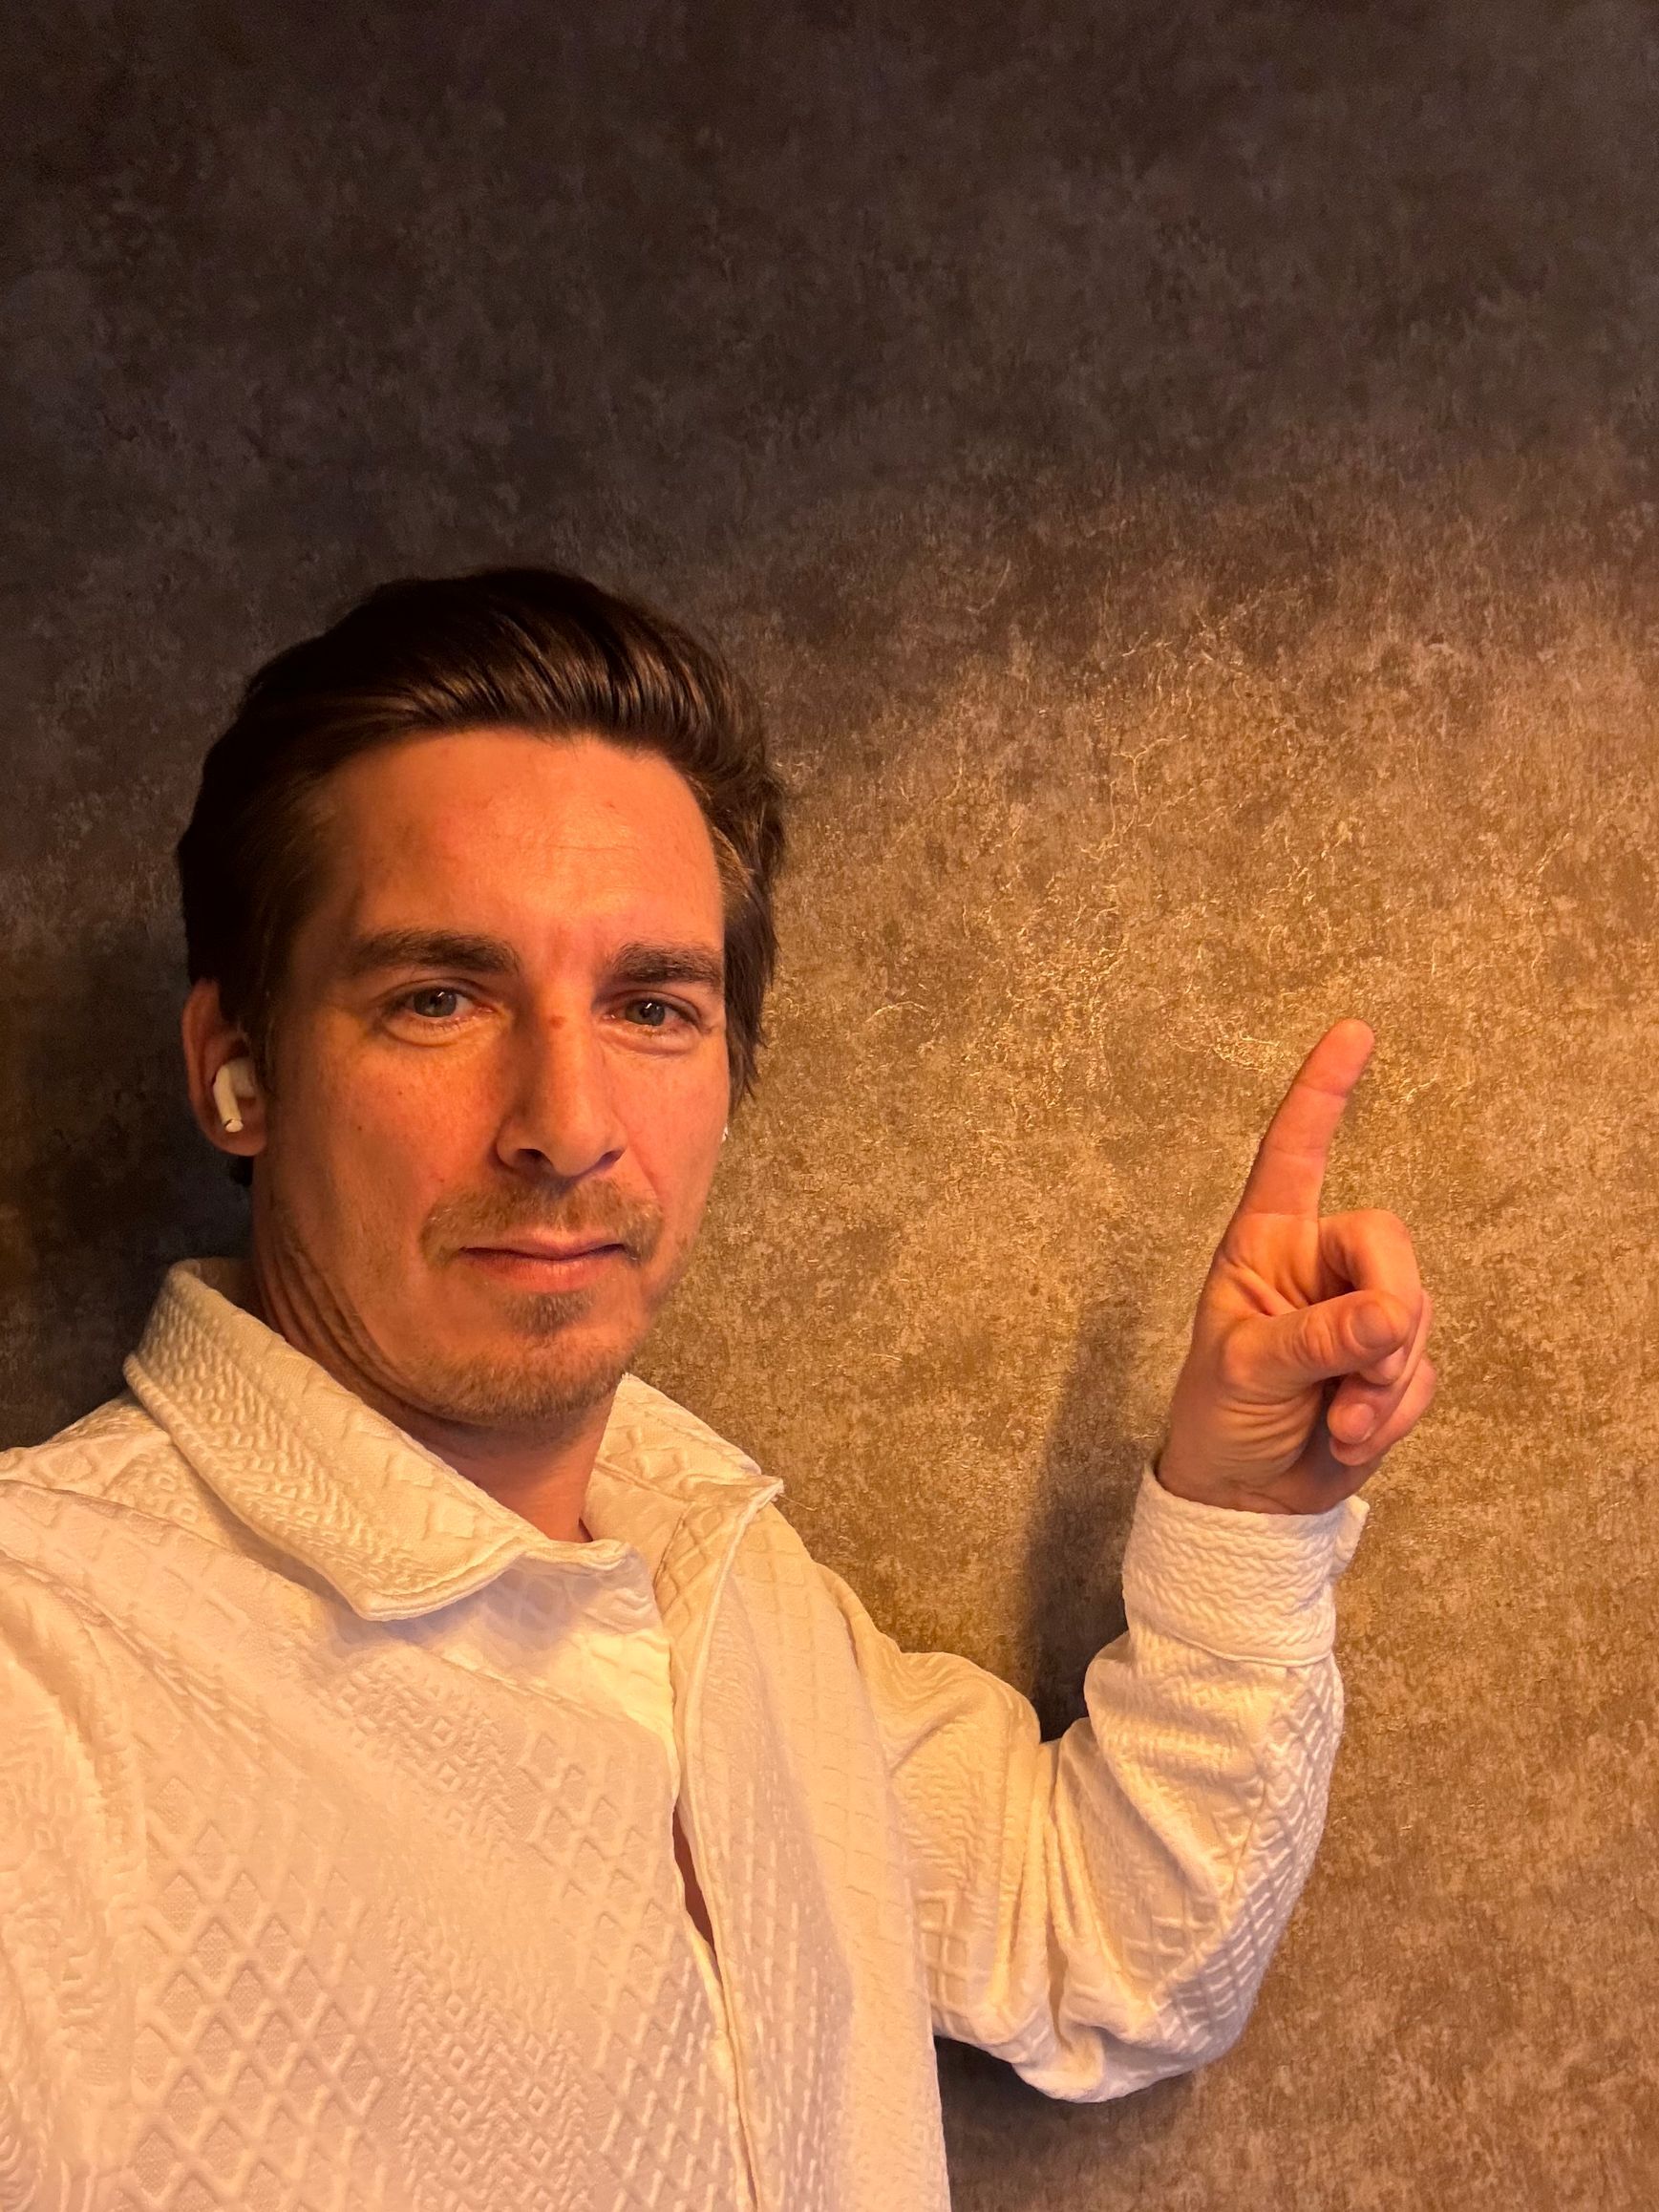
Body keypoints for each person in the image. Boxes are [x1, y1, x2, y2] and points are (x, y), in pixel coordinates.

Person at [0, 566, 1436, 2212]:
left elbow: (1114, 1957)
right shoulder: (47, 1676)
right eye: (437, 998)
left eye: (650, 1006)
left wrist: (1243, 1513)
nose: (566, 1125)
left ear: (732, 1072)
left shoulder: (717, 1575)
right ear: (236, 1071)